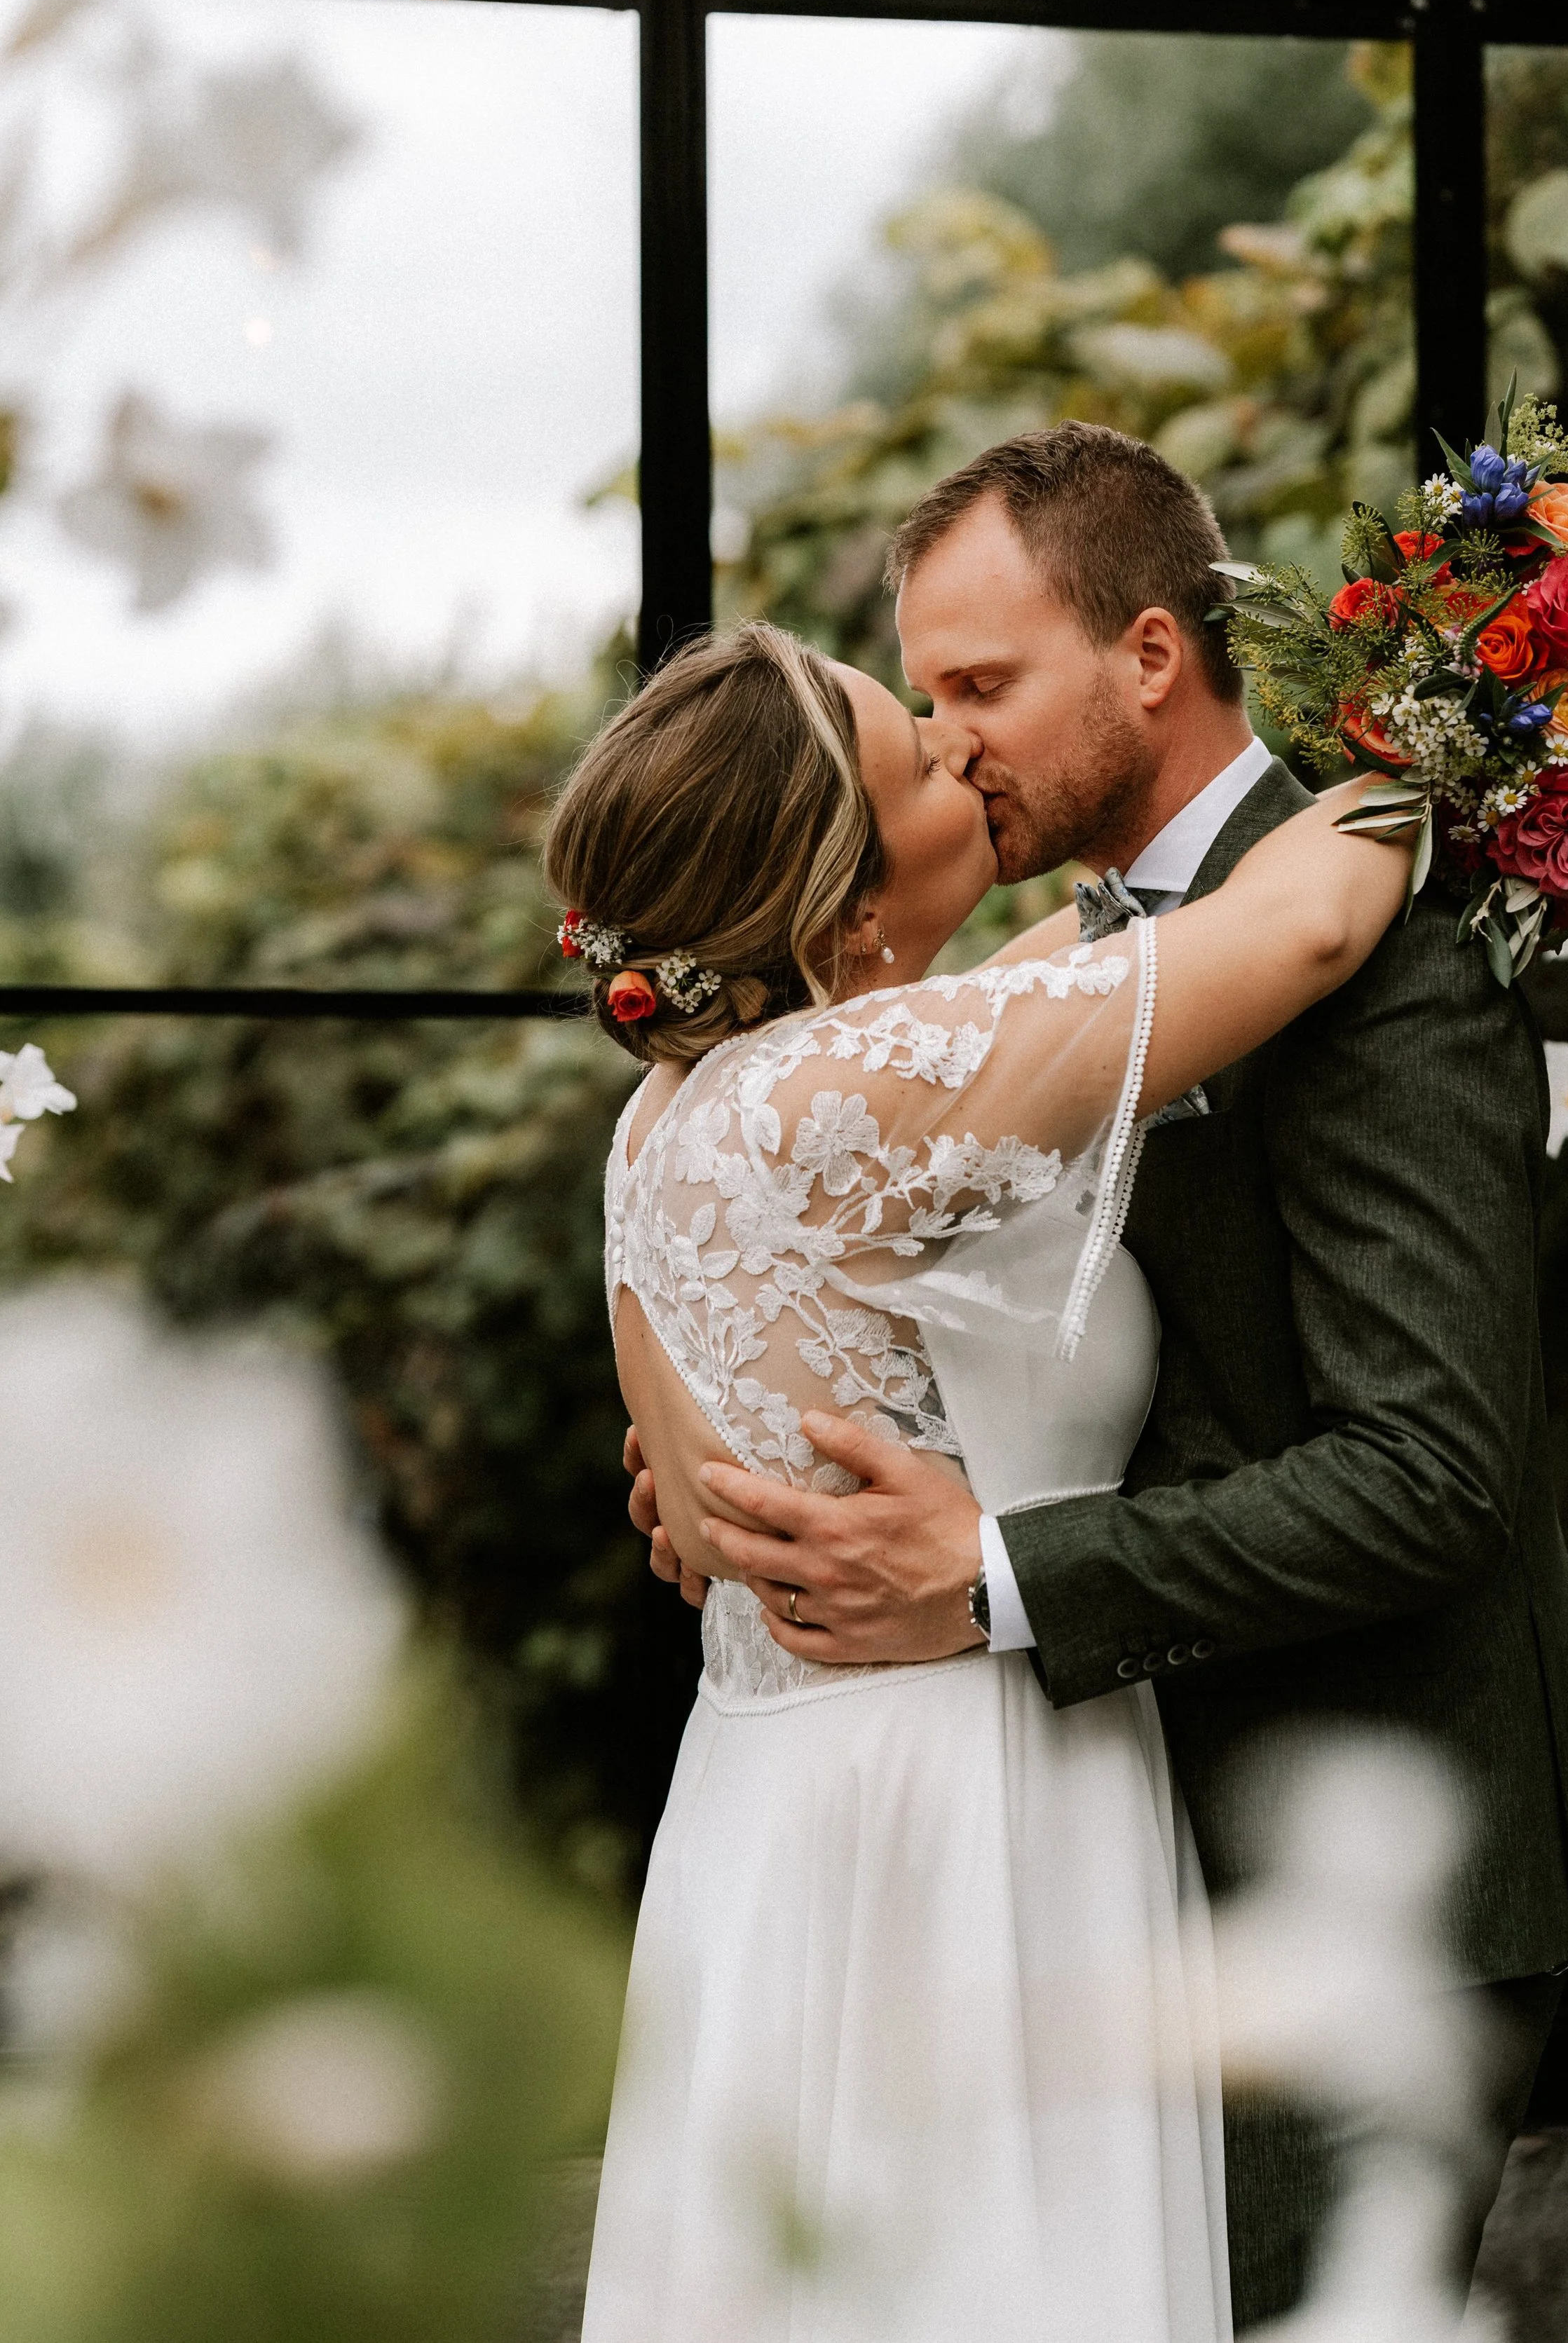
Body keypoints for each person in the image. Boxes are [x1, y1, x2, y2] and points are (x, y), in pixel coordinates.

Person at [627, 424, 1568, 2326]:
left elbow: (1431, 1472)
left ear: (1150, 661)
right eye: (922, 698)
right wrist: (732, 1428)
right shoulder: (1040, 974)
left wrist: (995, 1573)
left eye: (983, 686)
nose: (948, 743)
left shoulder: (1378, 959)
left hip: (1363, 1837)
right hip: (1091, 1823)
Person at [553, 608, 1414, 2342]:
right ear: (841, 908)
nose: (958, 749)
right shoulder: (845, 1094)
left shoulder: (674, 1111)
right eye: (913, 753)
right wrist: (1475, 750)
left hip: (771, 1802)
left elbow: (698, 1497)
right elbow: (1309, 918)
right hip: (956, 1793)